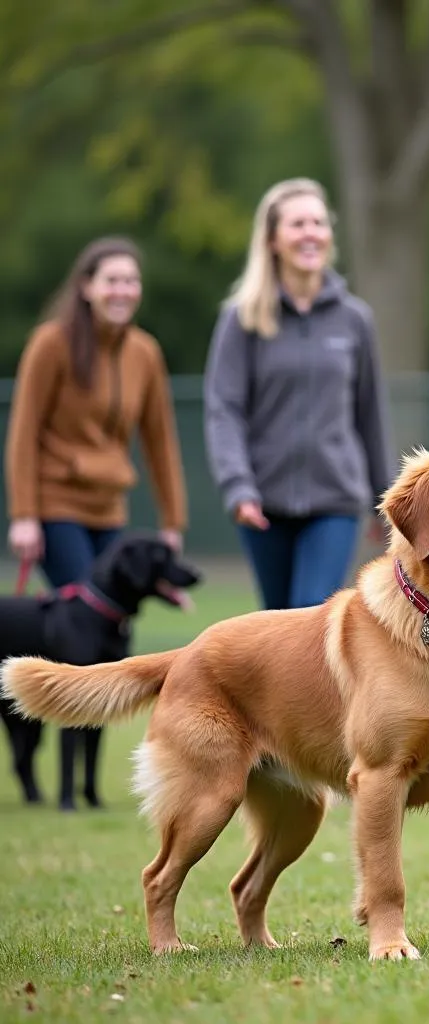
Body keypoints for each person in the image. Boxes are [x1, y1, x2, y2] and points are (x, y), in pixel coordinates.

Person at [5, 236, 188, 811]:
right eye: (110, 280)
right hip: (57, 508)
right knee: (81, 641)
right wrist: (26, 514)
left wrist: (172, 521)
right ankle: (57, 783)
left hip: (111, 510)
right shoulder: (52, 345)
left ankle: (82, 783)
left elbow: (159, 440)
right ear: (86, 287)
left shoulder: (144, 354)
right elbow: (25, 432)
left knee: (108, 646)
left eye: (130, 281)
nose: (121, 291)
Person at [203, 178, 394, 610]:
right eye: (297, 224)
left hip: (336, 498)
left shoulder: (354, 320)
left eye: (318, 223)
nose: (310, 233)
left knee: (311, 612)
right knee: (275, 625)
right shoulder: (242, 319)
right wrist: (238, 487)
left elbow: (370, 414)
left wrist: (387, 499)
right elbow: (224, 410)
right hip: (261, 503)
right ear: (272, 240)